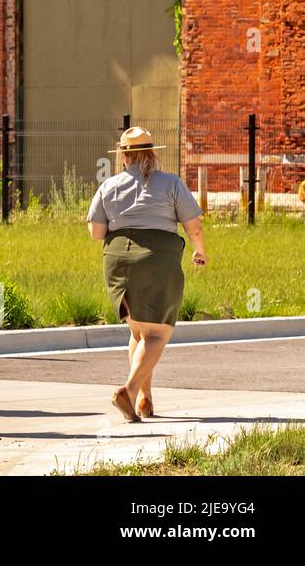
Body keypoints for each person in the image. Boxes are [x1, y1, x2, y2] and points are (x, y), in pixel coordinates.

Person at [87, 126, 208, 422]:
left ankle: (144, 399)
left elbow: (96, 231)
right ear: (151, 153)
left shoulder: (109, 185)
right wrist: (199, 250)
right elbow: (193, 224)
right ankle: (127, 391)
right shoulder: (171, 184)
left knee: (138, 330)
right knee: (157, 332)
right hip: (157, 258)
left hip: (116, 260)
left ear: (124, 155)